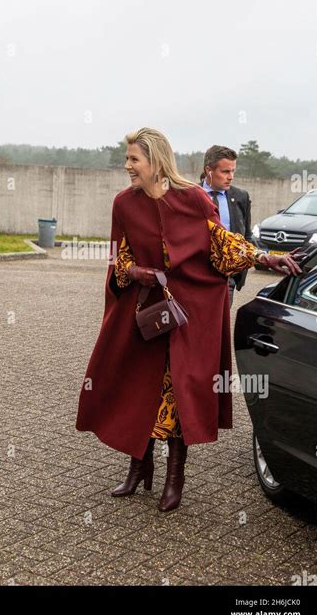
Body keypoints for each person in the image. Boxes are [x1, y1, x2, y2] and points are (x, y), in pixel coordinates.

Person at [76, 127, 303, 514]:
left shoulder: (194, 199)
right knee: (139, 386)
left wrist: (265, 258)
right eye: (128, 158)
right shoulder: (124, 204)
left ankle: (175, 475)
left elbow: (222, 243)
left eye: (134, 159)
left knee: (178, 389)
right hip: (146, 311)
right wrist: (136, 274)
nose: (127, 165)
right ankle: (139, 464)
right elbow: (120, 257)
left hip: (191, 312)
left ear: (156, 161)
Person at [200, 145, 253, 307]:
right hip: (196, 276)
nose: (231, 177)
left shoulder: (241, 197)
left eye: (233, 171)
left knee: (219, 329)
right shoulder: (188, 195)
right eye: (225, 172)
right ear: (209, 170)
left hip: (227, 278)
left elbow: (246, 236)